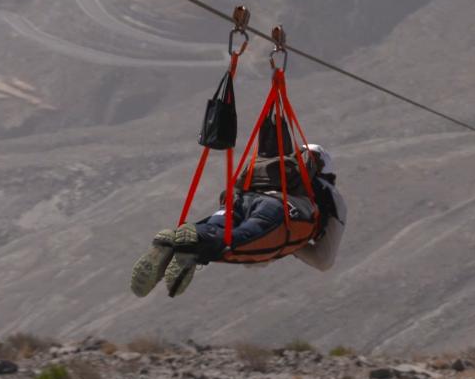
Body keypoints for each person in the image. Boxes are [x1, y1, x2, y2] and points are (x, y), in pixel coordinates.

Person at [130, 116, 346, 298]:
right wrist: (290, 243)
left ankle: (181, 239)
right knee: (238, 241)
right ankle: (196, 245)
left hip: (240, 201)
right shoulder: (328, 191)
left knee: (219, 226)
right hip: (279, 210)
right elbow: (323, 260)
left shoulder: (271, 167)